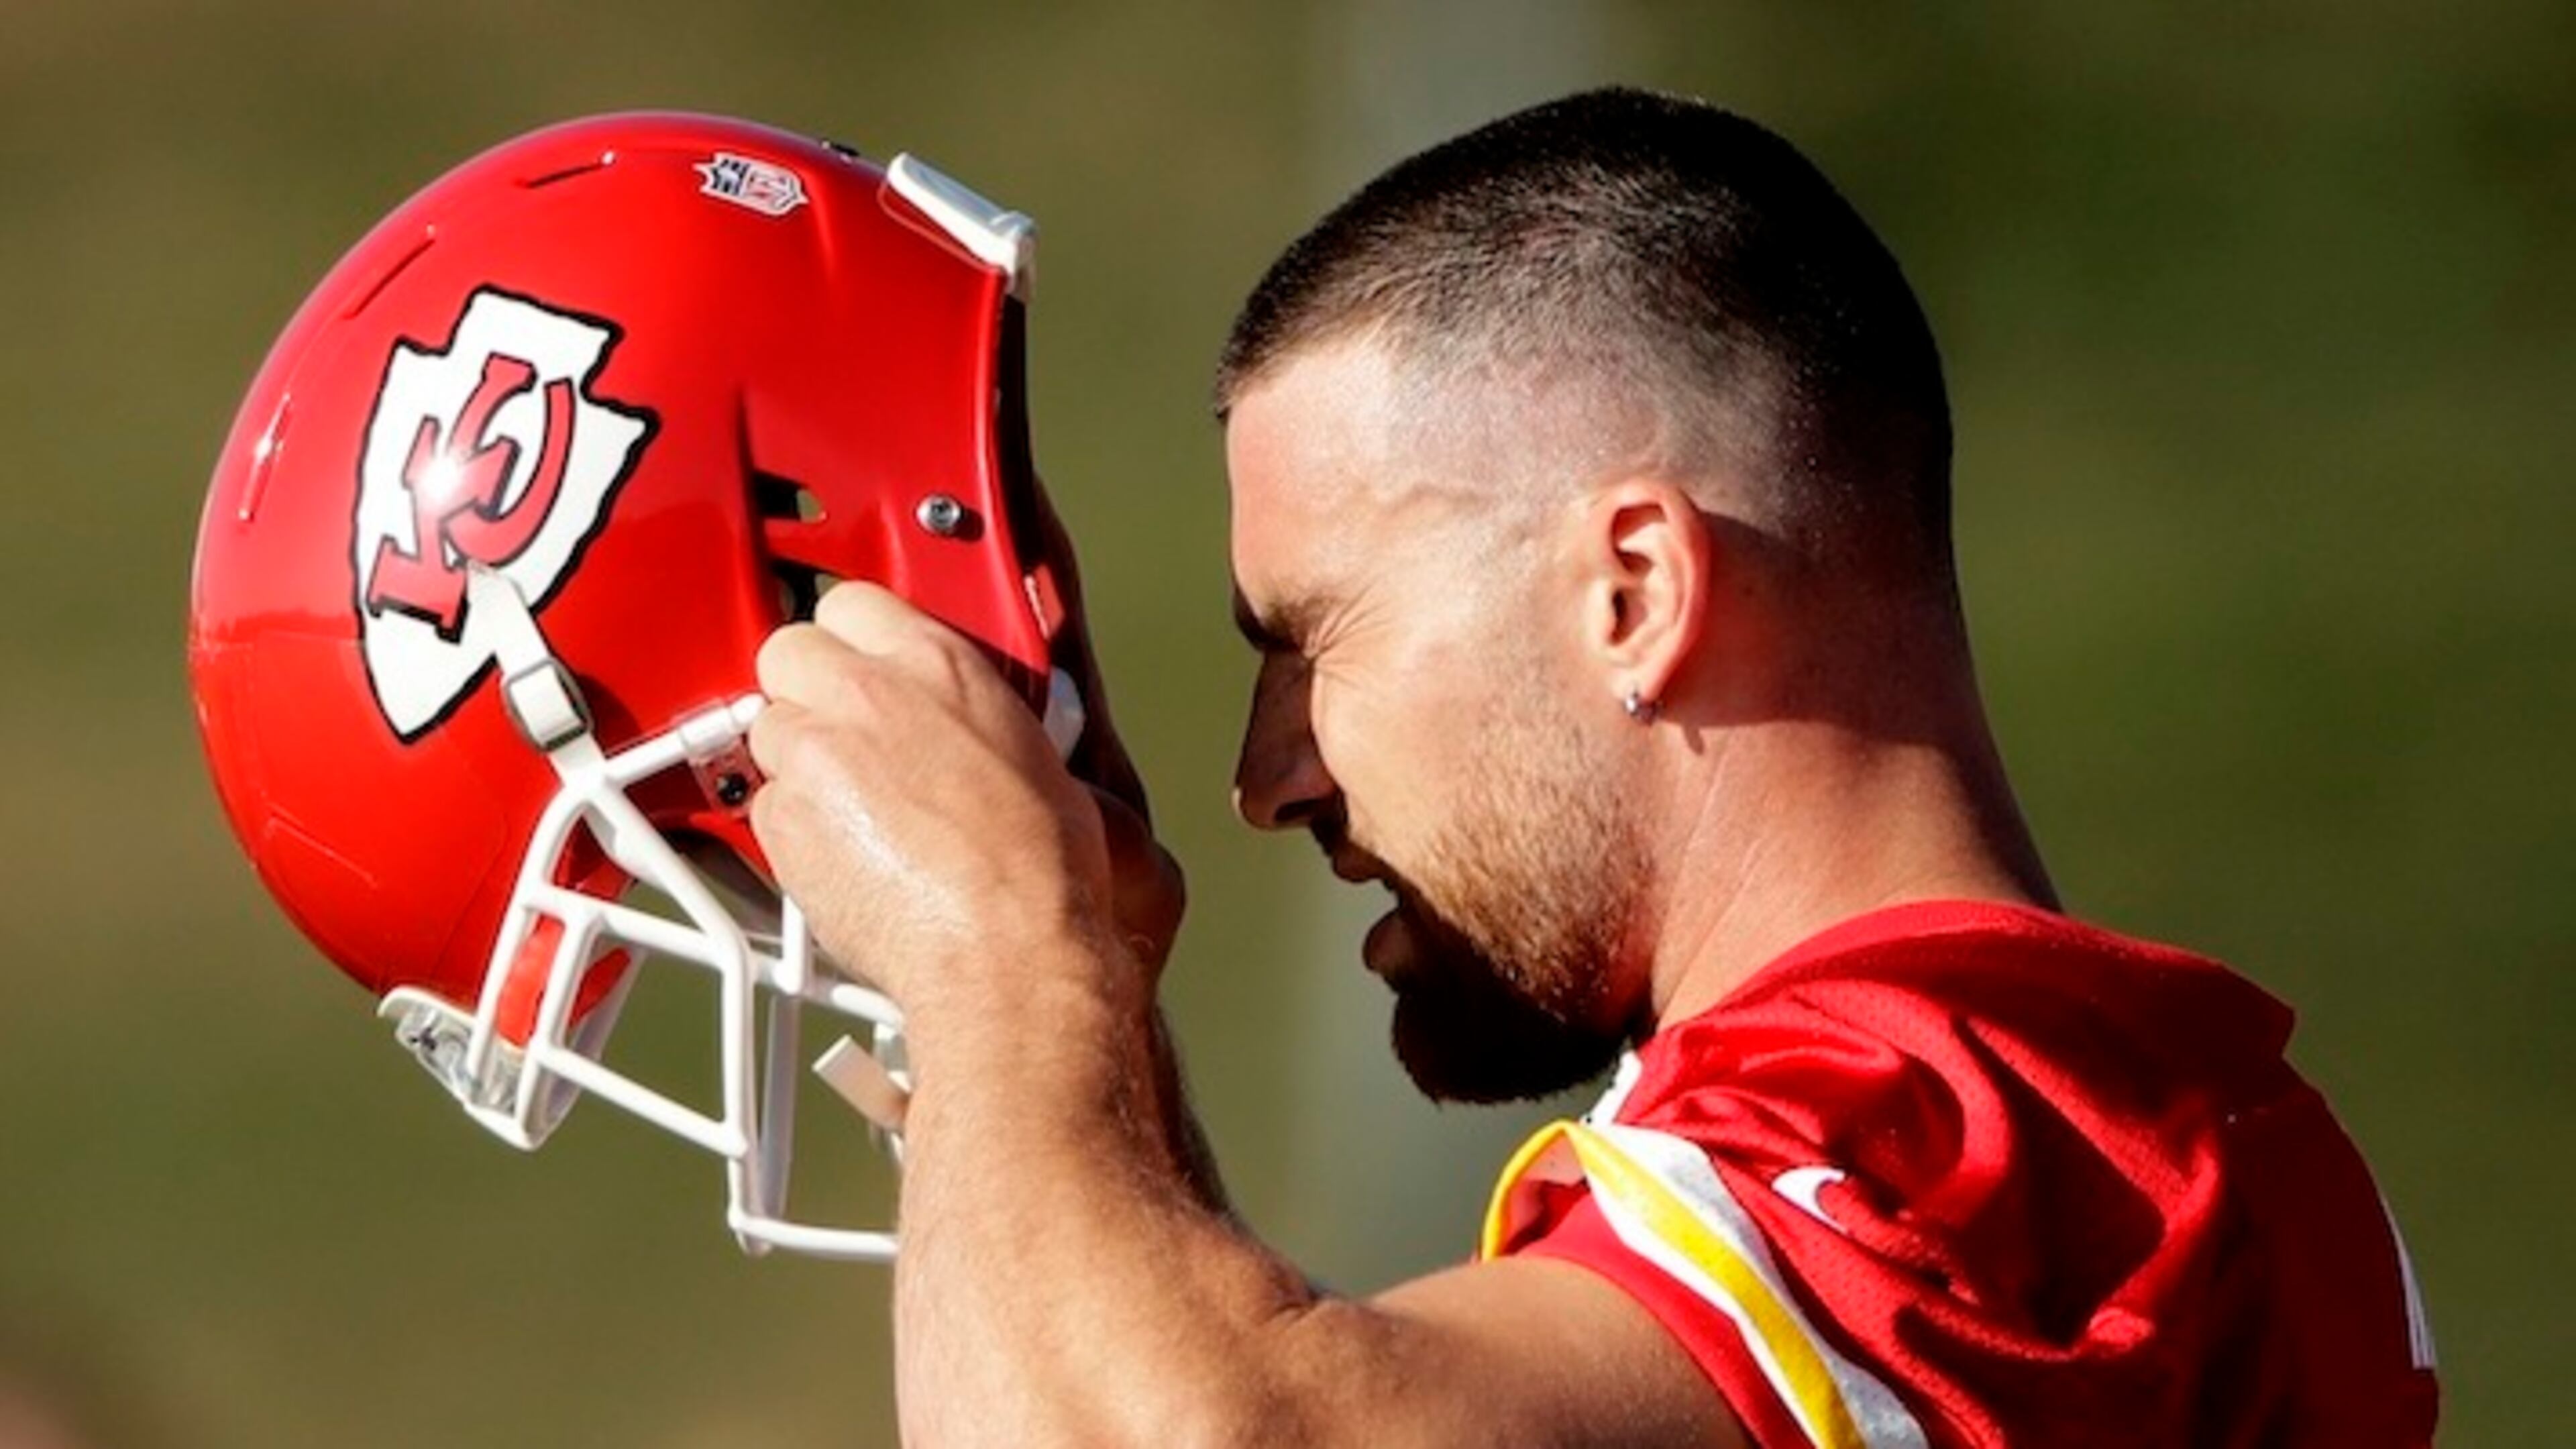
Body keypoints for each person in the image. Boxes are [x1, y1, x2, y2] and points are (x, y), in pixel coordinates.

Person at [749, 87, 2439, 1447]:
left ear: (1633, 590)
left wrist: (1003, 956)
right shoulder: (2106, 1121)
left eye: (1311, 639)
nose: (1268, 777)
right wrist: (1098, 1017)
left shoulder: (1952, 1132)